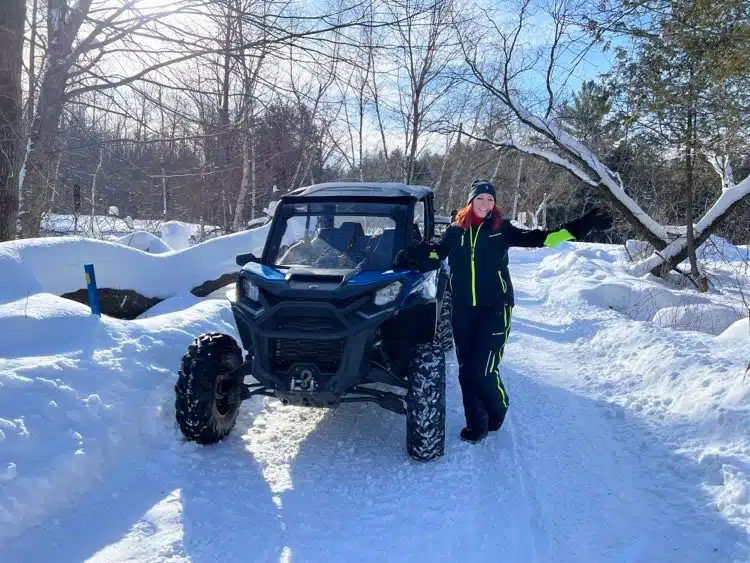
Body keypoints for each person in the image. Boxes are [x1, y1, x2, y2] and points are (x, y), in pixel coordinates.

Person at [396, 180, 612, 443]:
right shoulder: (455, 232)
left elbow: (543, 238)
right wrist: (411, 255)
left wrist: (582, 225)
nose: (485, 204)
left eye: (490, 199)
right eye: (480, 199)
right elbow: (436, 255)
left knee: (483, 370)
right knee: (466, 370)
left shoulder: (502, 229)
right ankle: (476, 424)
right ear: (470, 202)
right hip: (463, 310)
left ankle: (497, 410)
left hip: (495, 309)